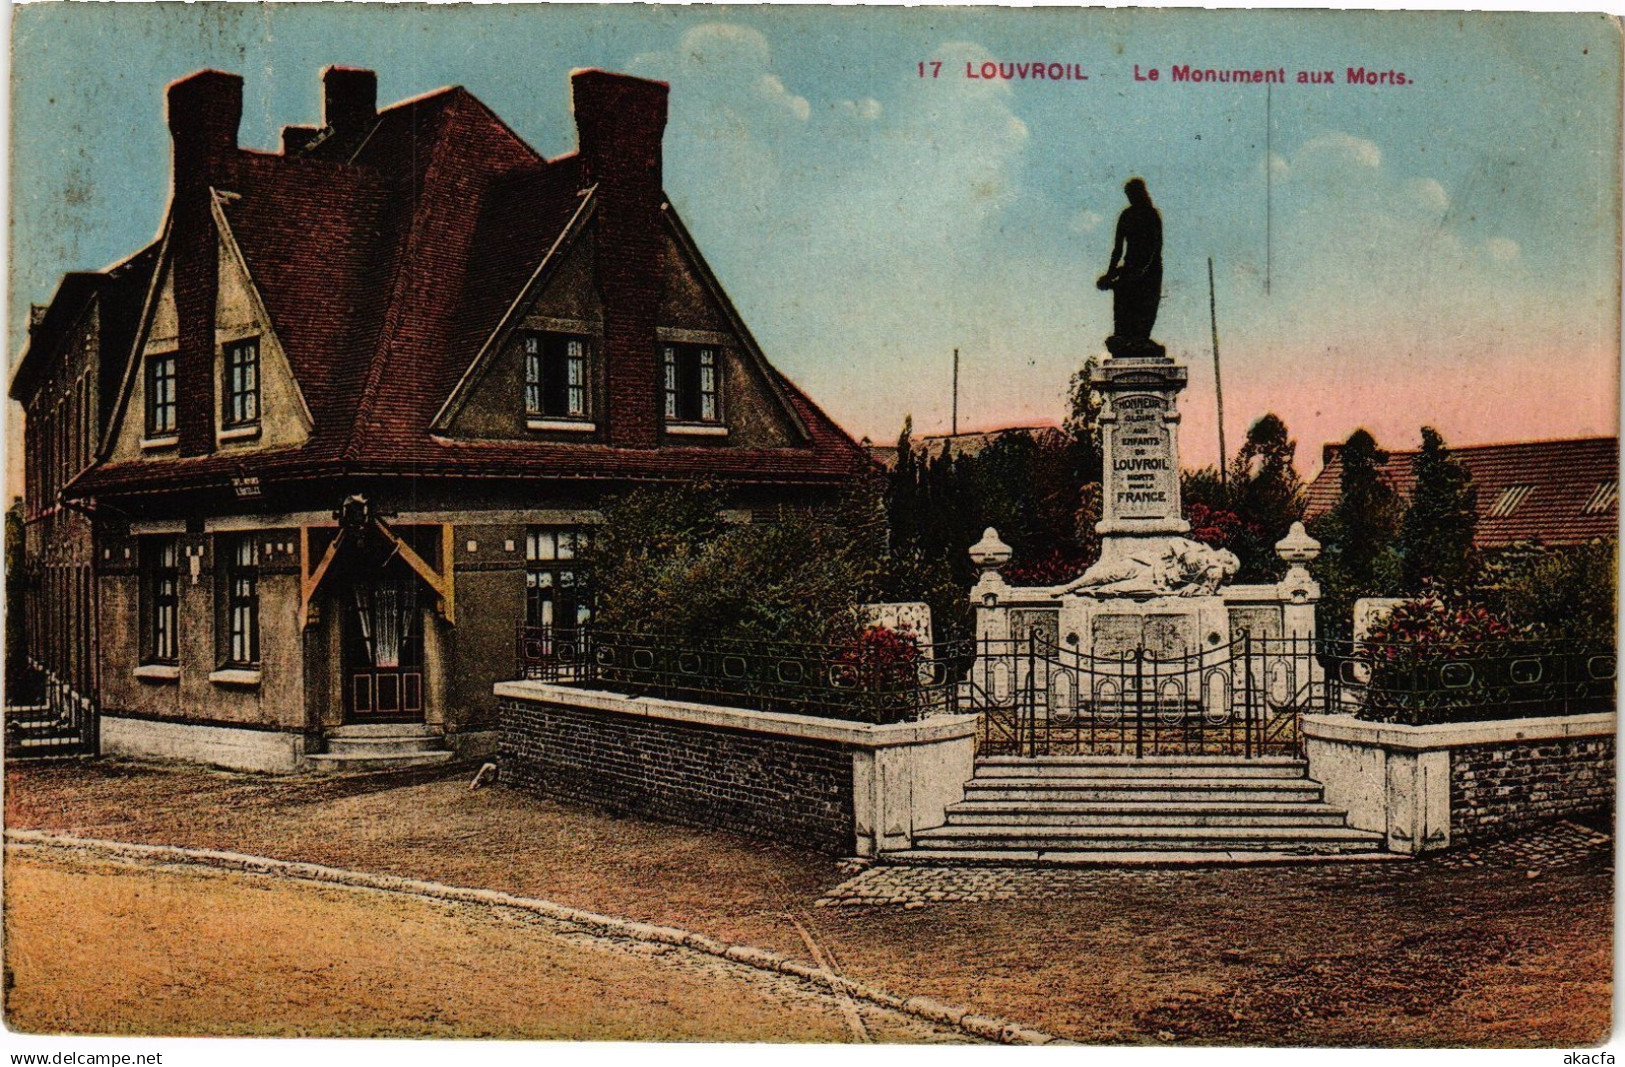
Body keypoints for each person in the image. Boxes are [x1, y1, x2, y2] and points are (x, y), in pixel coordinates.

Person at [1096, 178, 1163, 349]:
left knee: (1146, 307)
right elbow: (1117, 249)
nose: (1131, 198)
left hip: (1150, 270)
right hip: (1130, 266)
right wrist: (1110, 274)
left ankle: (1141, 338)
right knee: (1122, 302)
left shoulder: (1152, 215)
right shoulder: (1126, 216)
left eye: (1133, 194)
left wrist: (1142, 271)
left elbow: (1156, 247)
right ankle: (1123, 337)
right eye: (1128, 195)